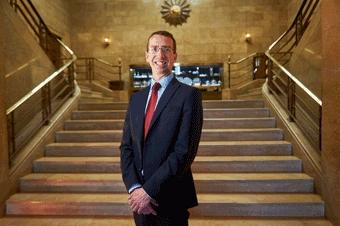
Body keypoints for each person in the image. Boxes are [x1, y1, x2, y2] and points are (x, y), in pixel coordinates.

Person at [120, 30, 203, 226]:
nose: (160, 55)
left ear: (174, 55)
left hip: (170, 197)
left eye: (166, 49)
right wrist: (134, 188)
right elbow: (126, 148)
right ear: (147, 55)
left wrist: (148, 192)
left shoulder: (189, 96)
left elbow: (184, 152)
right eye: (155, 49)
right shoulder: (136, 100)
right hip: (139, 201)